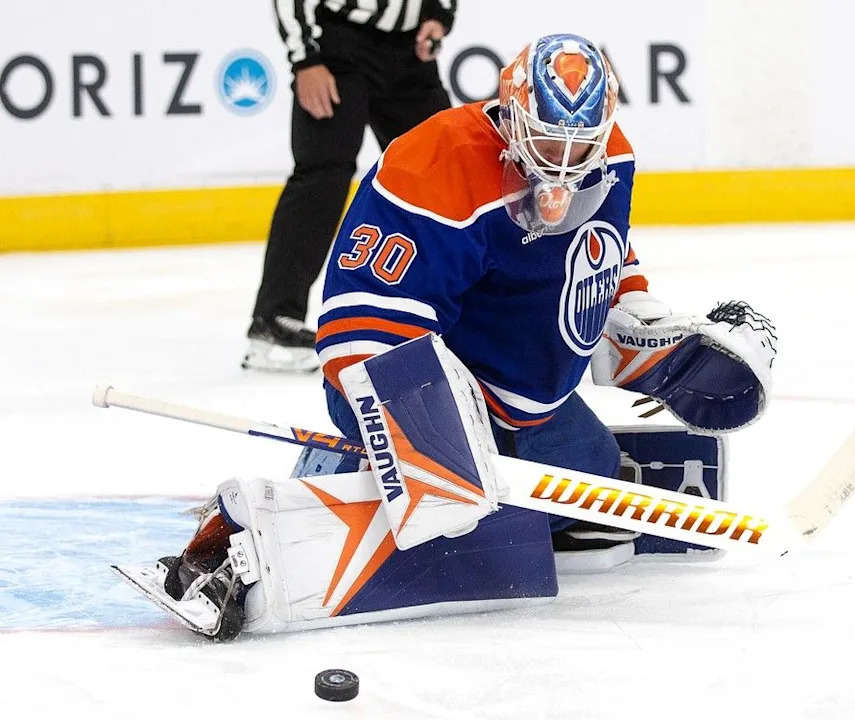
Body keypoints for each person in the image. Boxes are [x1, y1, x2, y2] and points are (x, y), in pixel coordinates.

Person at [115, 33, 776, 640]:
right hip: (407, 377)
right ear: (511, 112)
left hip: (515, 397)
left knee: (593, 475)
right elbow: (358, 325)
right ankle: (240, 544)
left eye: (582, 147)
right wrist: (423, 429)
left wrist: (640, 322)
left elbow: (599, 253)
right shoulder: (435, 164)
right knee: (435, 507)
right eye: (548, 143)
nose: (565, 166)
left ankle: (466, 490)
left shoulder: (610, 157)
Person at [242, 0, 457, 373]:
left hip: (409, 52)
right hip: (338, 46)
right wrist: (306, 59)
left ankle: (460, 315)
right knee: (323, 173)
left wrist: (439, 15)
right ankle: (274, 318)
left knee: (446, 172)